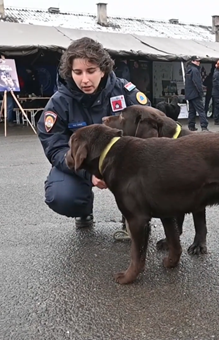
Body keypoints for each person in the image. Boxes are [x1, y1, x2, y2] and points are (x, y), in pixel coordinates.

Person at [37, 37, 151, 229]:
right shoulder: (59, 103)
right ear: (69, 72)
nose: (85, 80)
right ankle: (83, 209)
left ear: (103, 69)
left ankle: (134, 216)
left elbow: (150, 129)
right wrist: (87, 175)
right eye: (77, 72)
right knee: (62, 196)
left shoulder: (125, 92)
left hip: (125, 164)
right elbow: (55, 149)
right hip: (82, 165)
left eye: (91, 71)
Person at [184, 56, 209, 131]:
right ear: (192, 61)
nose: (198, 62)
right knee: (201, 110)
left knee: (192, 111)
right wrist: (201, 92)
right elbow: (197, 83)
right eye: (196, 61)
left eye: (199, 61)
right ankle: (204, 126)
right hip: (195, 93)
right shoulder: (195, 70)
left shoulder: (189, 69)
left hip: (189, 93)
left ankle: (191, 126)